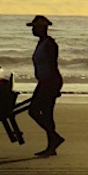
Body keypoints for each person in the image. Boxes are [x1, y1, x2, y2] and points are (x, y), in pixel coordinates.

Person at [26, 15, 64, 157]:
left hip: (49, 81)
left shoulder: (49, 44)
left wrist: (54, 87)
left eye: (34, 27)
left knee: (35, 111)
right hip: (44, 81)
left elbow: (53, 65)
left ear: (42, 28)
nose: (33, 30)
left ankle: (54, 139)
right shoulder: (42, 43)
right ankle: (52, 144)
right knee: (46, 114)